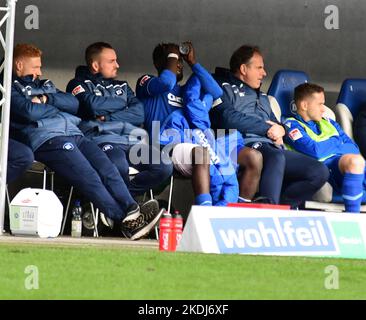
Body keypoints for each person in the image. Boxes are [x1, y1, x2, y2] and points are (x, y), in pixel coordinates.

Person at [10, 43, 162, 240]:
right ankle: (125, 221)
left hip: (75, 133)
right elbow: (29, 111)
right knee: (89, 176)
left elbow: (72, 104)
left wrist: (47, 101)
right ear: (19, 65)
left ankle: (132, 208)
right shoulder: (10, 88)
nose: (40, 71)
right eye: (35, 67)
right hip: (48, 139)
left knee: (107, 168)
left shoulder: (45, 85)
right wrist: (55, 105)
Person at [136, 42, 263, 206]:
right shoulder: (149, 84)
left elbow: (217, 92)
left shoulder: (186, 91)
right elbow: (167, 82)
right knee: (202, 153)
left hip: (196, 142)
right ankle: (205, 211)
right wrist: (173, 55)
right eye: (173, 60)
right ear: (159, 63)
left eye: (180, 61)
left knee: (252, 157)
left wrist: (193, 63)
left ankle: (234, 210)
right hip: (165, 147)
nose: (178, 64)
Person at [210, 45, 329, 208]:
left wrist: (282, 129)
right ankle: (269, 209)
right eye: (259, 68)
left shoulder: (264, 96)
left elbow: (276, 123)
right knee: (276, 157)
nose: (264, 73)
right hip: (242, 146)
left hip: (272, 148)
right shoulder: (222, 87)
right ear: (244, 69)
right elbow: (226, 118)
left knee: (319, 171)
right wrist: (266, 129)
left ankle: (282, 206)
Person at [66, 42, 173, 202]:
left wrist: (108, 117)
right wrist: (123, 104)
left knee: (164, 165)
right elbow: (92, 106)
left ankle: (124, 201)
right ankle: (125, 210)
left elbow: (139, 113)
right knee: (119, 166)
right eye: (111, 61)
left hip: (130, 141)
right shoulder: (77, 84)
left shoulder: (122, 86)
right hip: (100, 141)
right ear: (95, 65)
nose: (117, 65)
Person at [284, 83, 365, 213]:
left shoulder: (329, 122)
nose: (323, 109)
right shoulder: (292, 125)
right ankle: (353, 217)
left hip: (342, 164)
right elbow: (316, 152)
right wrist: (337, 142)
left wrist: (330, 145)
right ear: (305, 105)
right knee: (355, 162)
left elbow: (353, 149)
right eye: (320, 104)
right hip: (323, 169)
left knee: (356, 160)